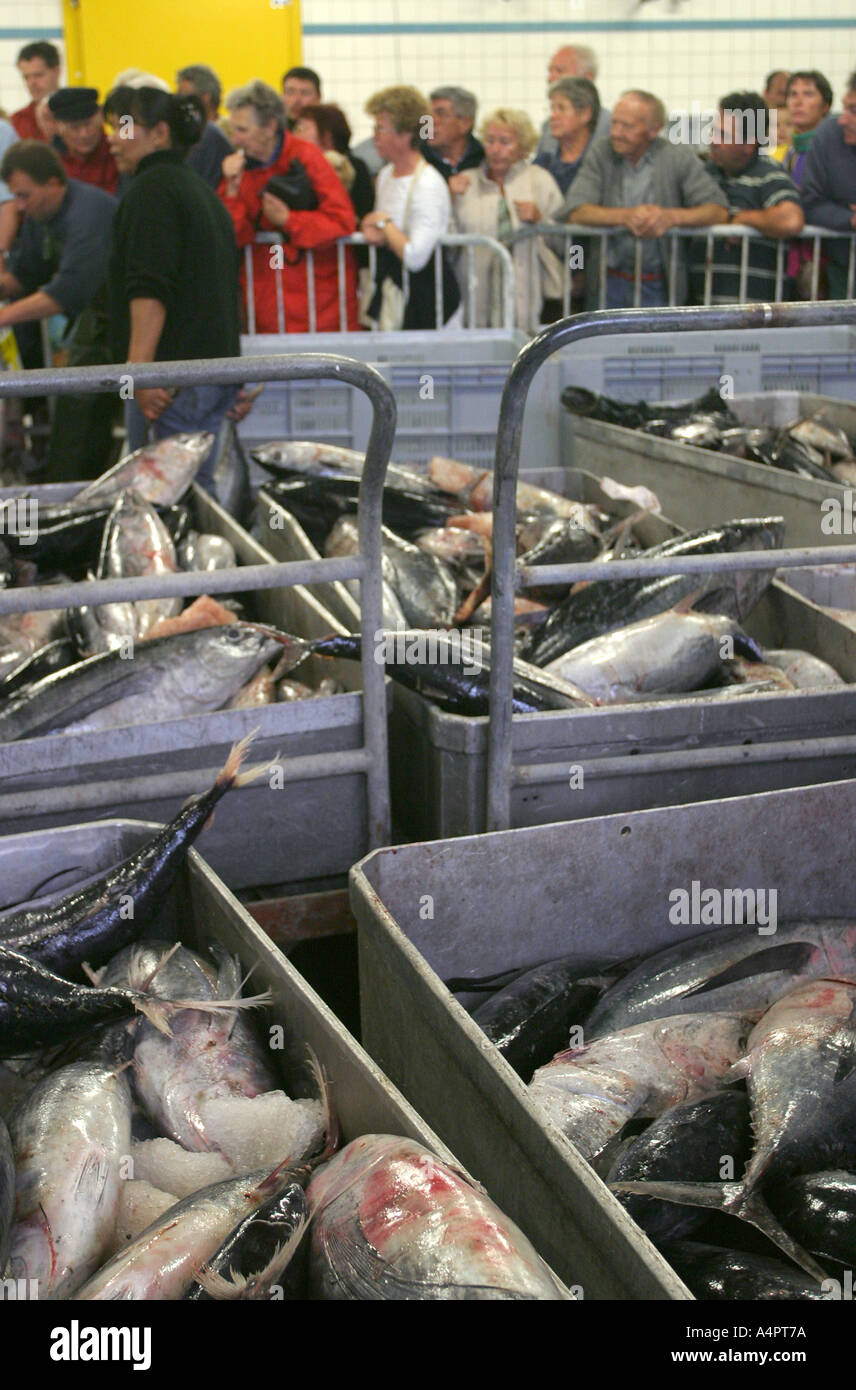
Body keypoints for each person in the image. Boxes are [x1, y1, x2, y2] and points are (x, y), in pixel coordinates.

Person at [104, 85, 249, 491]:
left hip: (172, 379)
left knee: (163, 497)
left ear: (160, 133)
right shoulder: (199, 189)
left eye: (124, 126)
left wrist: (141, 372)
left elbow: (150, 285)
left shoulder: (152, 192)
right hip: (208, 372)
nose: (112, 138)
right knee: (197, 493)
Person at [0, 141, 116, 479]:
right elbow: (25, 274)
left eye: (25, 195)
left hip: (121, 324)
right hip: (95, 321)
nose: (19, 206)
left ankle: (73, 494)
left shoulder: (88, 214)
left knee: (80, 411)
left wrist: (3, 316)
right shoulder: (42, 213)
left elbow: (65, 293)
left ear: (53, 183)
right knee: (75, 409)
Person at [566, 89, 727, 308]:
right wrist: (626, 217)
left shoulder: (676, 156)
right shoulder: (601, 152)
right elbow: (577, 210)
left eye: (627, 126)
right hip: (608, 282)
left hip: (659, 284)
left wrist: (669, 218)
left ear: (654, 130)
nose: (616, 132)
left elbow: (717, 210)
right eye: (614, 123)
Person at [219, 80, 357, 333]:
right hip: (267, 301)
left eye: (242, 130)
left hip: (320, 306)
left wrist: (288, 220)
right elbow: (232, 234)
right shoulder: (239, 170)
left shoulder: (306, 156)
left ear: (270, 126)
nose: (235, 138)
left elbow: (342, 221)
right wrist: (231, 189)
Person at [451, 108, 563, 330]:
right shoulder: (466, 183)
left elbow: (569, 245)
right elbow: (448, 240)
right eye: (490, 141)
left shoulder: (540, 181)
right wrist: (448, 195)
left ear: (522, 146)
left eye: (505, 142)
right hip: (475, 296)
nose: (496, 149)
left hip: (530, 297)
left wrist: (540, 221)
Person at [687, 93, 803, 305]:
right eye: (713, 131)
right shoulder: (705, 173)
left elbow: (790, 220)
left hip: (754, 313)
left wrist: (739, 220)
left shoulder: (769, 174)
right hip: (702, 308)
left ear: (749, 144)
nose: (713, 141)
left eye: (723, 135)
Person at [361, 85, 460, 330]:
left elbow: (415, 256)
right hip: (396, 295)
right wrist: (372, 225)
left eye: (380, 129)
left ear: (405, 134)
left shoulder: (428, 183)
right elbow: (381, 229)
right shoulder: (385, 175)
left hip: (430, 305)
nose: (374, 136)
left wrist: (383, 223)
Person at [800, 72, 856, 299]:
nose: (843, 119)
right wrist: (849, 218)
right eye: (845, 108)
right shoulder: (829, 136)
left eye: (853, 111)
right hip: (844, 268)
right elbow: (811, 204)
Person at [294, 103, 374, 220]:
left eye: (303, 128)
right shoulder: (295, 168)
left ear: (327, 135)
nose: (296, 135)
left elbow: (361, 212)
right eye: (296, 129)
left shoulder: (355, 167)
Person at [536, 45, 610, 160]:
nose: (551, 78)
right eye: (550, 71)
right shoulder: (548, 128)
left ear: (588, 78)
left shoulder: (610, 127)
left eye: (560, 71)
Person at [534, 77, 600, 197]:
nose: (553, 116)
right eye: (552, 108)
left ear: (585, 114)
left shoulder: (601, 163)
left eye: (561, 108)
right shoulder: (543, 163)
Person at [48, 88, 119, 195]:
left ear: (101, 120)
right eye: (74, 128)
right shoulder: (50, 164)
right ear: (58, 127)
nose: (84, 134)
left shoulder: (119, 155)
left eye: (88, 124)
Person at [176, 64, 233, 189]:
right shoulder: (182, 131)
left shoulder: (232, 132)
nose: (178, 102)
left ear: (205, 98)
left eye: (183, 96)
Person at [423, 87, 484, 188]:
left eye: (441, 114)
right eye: (428, 114)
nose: (430, 121)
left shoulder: (484, 159)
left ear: (465, 124)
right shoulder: (416, 159)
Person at [781, 70, 833, 186]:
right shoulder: (790, 152)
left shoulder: (834, 150)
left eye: (808, 94)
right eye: (793, 94)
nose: (798, 102)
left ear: (825, 106)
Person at [11, 42, 61, 141]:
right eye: (26, 77)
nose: (31, 83)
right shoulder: (18, 121)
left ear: (57, 71)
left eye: (38, 75)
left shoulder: (78, 115)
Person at [281, 67, 321, 131]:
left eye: (305, 93)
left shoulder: (329, 133)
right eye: (290, 92)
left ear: (318, 97)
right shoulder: (273, 131)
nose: (296, 100)